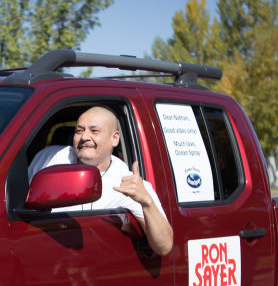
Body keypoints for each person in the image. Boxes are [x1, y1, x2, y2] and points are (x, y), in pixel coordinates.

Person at [27, 106, 173, 255]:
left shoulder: (128, 183)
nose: (84, 137)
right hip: (38, 255)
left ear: (114, 138)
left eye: (94, 131)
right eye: (79, 130)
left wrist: (146, 202)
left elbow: (164, 247)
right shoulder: (49, 158)